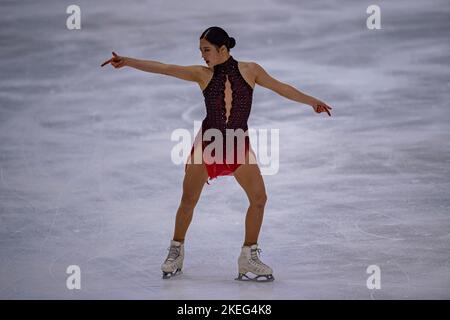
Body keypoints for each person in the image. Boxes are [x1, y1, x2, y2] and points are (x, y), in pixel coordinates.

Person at [101, 26, 332, 282]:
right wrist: (128, 61)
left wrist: (312, 101)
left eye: (206, 50)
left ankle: (248, 255)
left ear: (223, 49)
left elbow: (281, 87)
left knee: (259, 198)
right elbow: (164, 68)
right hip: (209, 143)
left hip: (236, 143)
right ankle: (176, 251)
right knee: (188, 201)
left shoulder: (251, 70)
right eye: (201, 50)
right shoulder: (202, 74)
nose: (202, 55)